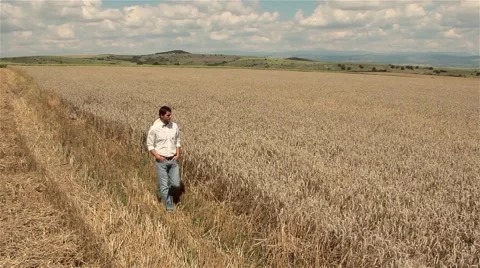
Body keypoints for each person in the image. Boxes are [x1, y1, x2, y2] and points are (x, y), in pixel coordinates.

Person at [146, 106, 182, 212]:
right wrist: (157, 156)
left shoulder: (174, 126)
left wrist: (178, 154)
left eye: (170, 115)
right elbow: (149, 145)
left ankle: (167, 193)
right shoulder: (154, 128)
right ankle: (169, 207)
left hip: (173, 160)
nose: (170, 117)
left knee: (176, 184)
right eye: (168, 115)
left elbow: (177, 141)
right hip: (161, 161)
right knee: (164, 185)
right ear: (161, 115)